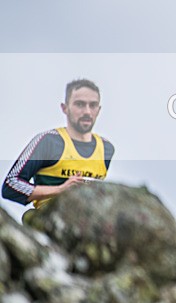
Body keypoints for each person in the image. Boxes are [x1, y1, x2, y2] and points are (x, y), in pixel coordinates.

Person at [2, 79, 114, 216]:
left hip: (90, 223)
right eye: (79, 104)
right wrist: (61, 189)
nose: (87, 111)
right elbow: (10, 185)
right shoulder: (49, 141)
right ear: (65, 108)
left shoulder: (106, 148)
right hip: (49, 221)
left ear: (99, 110)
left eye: (93, 105)